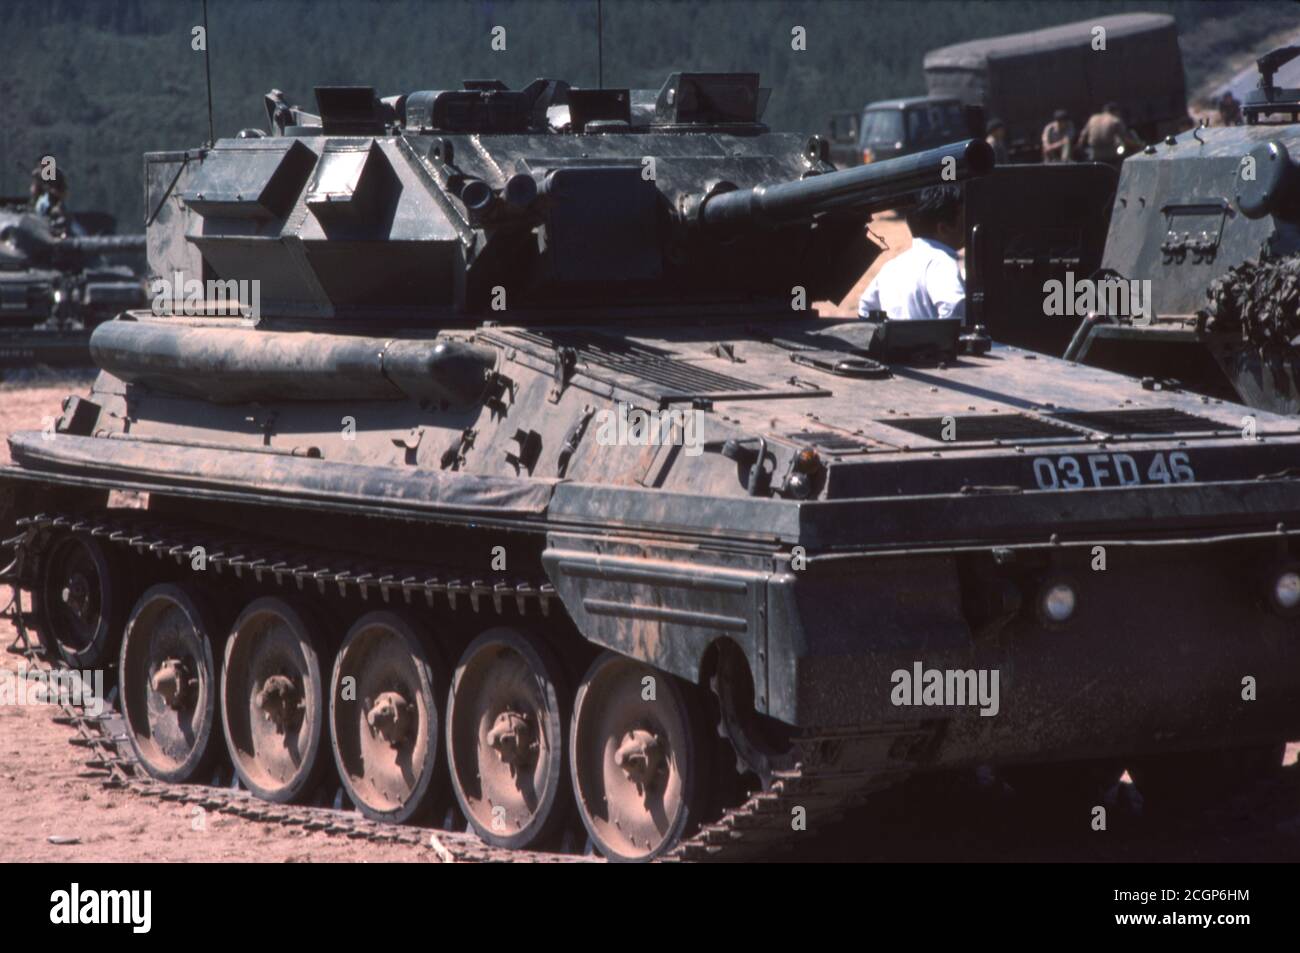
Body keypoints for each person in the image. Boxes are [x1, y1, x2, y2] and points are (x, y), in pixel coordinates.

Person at [858, 184, 965, 323]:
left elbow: (865, 309)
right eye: (963, 219)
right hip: (935, 344)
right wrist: (945, 340)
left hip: (895, 344)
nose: (967, 225)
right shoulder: (941, 263)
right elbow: (954, 306)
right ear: (943, 229)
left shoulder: (891, 267)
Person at [1076, 103, 1142, 165]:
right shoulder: (1115, 120)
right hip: (1110, 153)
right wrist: (1138, 145)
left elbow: (1082, 136)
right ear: (1115, 111)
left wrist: (1080, 150)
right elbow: (1125, 139)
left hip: (1094, 153)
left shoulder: (1093, 118)